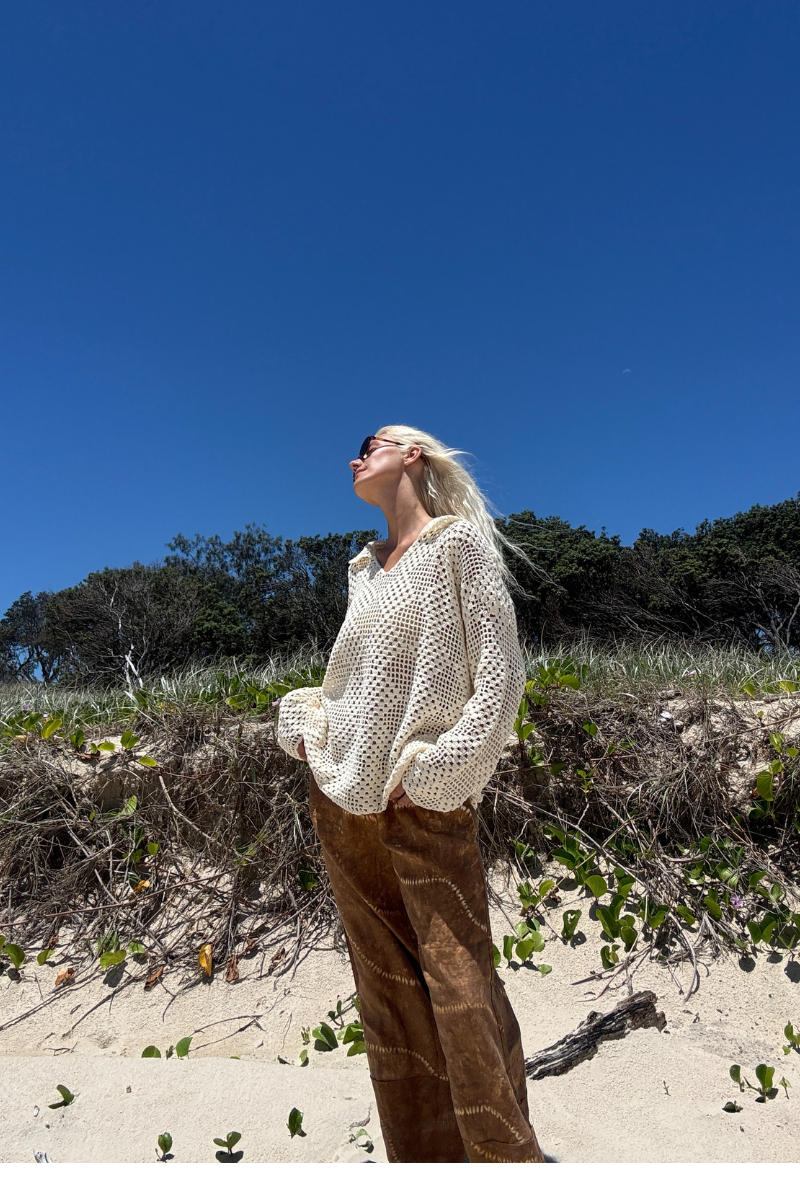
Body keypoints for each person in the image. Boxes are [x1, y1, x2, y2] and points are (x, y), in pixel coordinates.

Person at [276, 425, 544, 1164]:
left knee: (463, 994)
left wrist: (437, 772)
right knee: (388, 1002)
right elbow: (350, 685)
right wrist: (306, 727)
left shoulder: (456, 545)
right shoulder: (363, 569)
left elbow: (501, 674)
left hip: (425, 802)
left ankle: (506, 1165)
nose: (355, 456)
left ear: (412, 454)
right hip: (343, 806)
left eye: (371, 444)